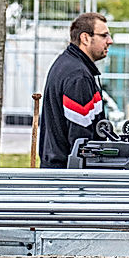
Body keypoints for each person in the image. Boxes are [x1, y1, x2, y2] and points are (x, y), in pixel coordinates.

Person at [39, 12, 112, 168]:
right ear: (85, 38)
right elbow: (81, 144)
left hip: (57, 171)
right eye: (104, 35)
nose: (110, 41)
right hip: (69, 178)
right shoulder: (78, 76)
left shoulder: (66, 64)